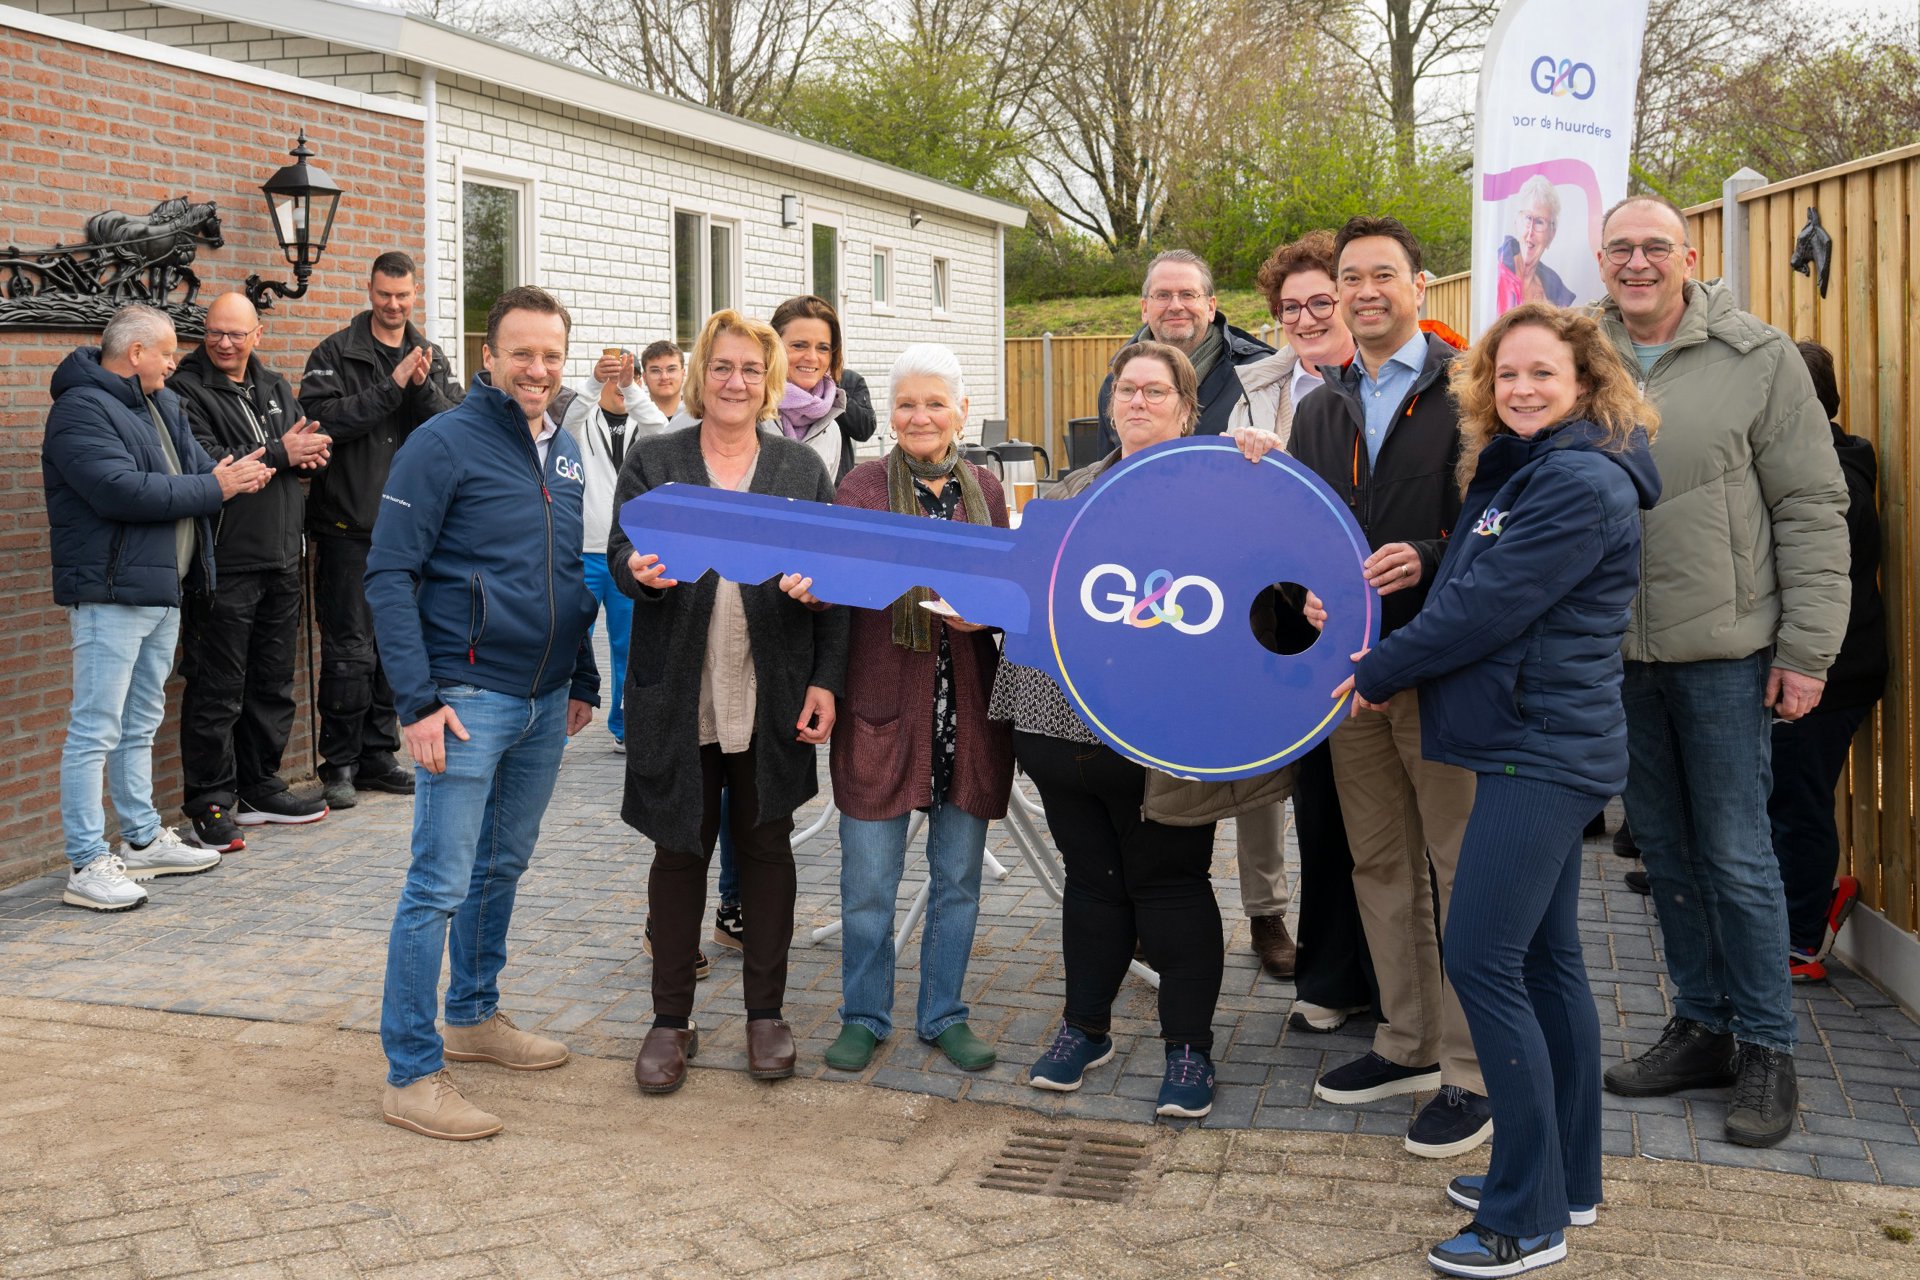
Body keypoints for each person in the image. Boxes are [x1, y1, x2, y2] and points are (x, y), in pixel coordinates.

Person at [1337, 304, 1660, 1276]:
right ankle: (1568, 1179)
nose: (1520, 388)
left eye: (1542, 373)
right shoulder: (1531, 466)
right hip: (1528, 737)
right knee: (1548, 964)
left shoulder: (1578, 479)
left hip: (1538, 749)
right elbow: (1479, 573)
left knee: (1482, 960)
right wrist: (1427, 569)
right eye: (1506, 373)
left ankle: (1526, 1214)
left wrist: (1381, 666)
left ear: (1586, 383)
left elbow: (1489, 606)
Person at [1594, 195, 1849, 1149]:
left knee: (1739, 856)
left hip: (1725, 653)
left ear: (1689, 256)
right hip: (1616, 654)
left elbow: (1813, 506)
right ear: (1601, 259)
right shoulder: (1578, 353)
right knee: (1664, 849)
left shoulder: (1759, 357)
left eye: (1654, 247)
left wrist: (1807, 652)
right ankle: (1702, 1025)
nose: (1638, 263)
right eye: (1620, 248)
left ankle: (1768, 1046)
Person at [992, 340, 1292, 1121]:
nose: (1138, 401)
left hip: (1164, 740)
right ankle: (1084, 1027)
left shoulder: (1224, 490)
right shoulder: (1068, 491)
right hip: (1060, 729)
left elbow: (1279, 584)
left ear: (1189, 410)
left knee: (1170, 886)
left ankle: (1188, 1047)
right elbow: (1026, 595)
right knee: (1091, 881)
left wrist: (1264, 468)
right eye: (1127, 389)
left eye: (1157, 391)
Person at [366, 285, 600, 1141]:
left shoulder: (564, 447)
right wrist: (417, 702)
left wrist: (582, 675)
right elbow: (388, 574)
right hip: (464, 701)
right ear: (489, 356)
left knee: (501, 868)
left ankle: (471, 1015)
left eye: (551, 355)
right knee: (437, 884)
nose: (537, 369)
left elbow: (565, 570)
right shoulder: (442, 443)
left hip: (544, 701)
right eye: (521, 353)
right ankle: (410, 1072)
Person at [1286, 215, 1488, 1158]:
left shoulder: (1471, 391)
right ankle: (1408, 1042)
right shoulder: (1320, 408)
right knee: (1380, 864)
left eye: (1382, 276)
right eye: (1351, 279)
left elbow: (1501, 530)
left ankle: (1474, 1072)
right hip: (1351, 680)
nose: (1365, 292)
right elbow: (1301, 532)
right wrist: (1304, 590)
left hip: (1443, 670)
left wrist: (1432, 557)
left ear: (1420, 285)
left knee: (1462, 870)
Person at [613, 309, 849, 1095]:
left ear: (768, 380)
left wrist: (825, 679)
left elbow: (833, 582)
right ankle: (669, 1019)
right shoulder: (656, 459)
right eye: (722, 366)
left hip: (768, 684)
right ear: (700, 374)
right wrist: (635, 572)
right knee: (678, 847)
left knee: (767, 844)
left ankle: (765, 1015)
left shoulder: (798, 470)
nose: (736, 382)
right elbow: (620, 550)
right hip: (680, 687)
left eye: (751, 369)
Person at [43, 304, 273, 911]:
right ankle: (86, 862)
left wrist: (235, 474)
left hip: (164, 590)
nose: (176, 363)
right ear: (136, 352)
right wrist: (214, 486)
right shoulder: (79, 410)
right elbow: (119, 490)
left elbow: (198, 473)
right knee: (95, 728)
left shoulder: (163, 403)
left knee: (139, 723)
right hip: (110, 594)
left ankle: (142, 840)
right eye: (168, 352)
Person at [822, 344, 1013, 1075]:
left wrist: (989, 612)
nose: (920, 416)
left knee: (957, 880)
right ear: (890, 414)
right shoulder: (860, 488)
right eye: (907, 404)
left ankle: (943, 1013)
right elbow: (839, 596)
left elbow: (1010, 591)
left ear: (962, 410)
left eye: (936, 403)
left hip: (967, 715)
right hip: (882, 707)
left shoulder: (987, 490)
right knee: (869, 885)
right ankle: (864, 1015)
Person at [1225, 231, 1377, 1033]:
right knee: (1318, 807)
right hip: (1287, 623)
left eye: (1323, 301)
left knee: (1380, 815)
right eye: (1291, 308)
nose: (1308, 317)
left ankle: (1394, 981)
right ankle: (1330, 976)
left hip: (1370, 618)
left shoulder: (1391, 386)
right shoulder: (1256, 390)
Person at [300, 251, 463, 812]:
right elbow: (321, 422)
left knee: (398, 645)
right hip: (348, 525)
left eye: (402, 295)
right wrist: (392, 386)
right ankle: (339, 764)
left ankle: (377, 756)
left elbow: (453, 424)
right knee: (349, 651)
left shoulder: (431, 356)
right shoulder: (334, 353)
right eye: (384, 294)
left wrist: (418, 388)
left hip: (412, 528)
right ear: (369, 291)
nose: (393, 305)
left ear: (415, 293)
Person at [169, 293, 331, 852]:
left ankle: (260, 786)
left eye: (236, 334)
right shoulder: (185, 390)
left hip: (283, 558)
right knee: (217, 690)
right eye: (215, 332)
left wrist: (310, 455)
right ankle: (211, 802)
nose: (224, 343)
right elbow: (210, 461)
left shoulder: (275, 386)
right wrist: (283, 452)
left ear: (257, 334)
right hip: (226, 563)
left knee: (271, 684)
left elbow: (290, 449)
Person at [1771, 341, 1886, 982]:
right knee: (1784, 797)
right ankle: (1803, 912)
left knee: (1795, 802)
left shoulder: (1831, 480)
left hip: (1826, 673)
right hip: (1822, 667)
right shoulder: (1830, 459)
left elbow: (1815, 581)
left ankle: (1800, 941)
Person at [566, 347, 668, 752]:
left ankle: (626, 726)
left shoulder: (644, 422)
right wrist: (594, 381)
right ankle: (556, 731)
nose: (620, 385)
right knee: (571, 642)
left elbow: (662, 429)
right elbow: (566, 419)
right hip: (584, 553)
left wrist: (632, 388)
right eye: (613, 377)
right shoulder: (583, 419)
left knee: (629, 646)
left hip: (630, 554)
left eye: (628, 376)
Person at [1096, 249, 1271, 454]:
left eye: (1188, 294)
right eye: (1162, 295)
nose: (1176, 306)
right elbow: (1110, 469)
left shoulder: (1257, 374)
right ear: (1144, 309)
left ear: (1211, 307)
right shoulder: (1117, 387)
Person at [768, 295, 877, 483]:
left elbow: (864, 429)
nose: (812, 357)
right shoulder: (751, 413)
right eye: (799, 345)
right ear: (772, 346)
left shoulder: (831, 429)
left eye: (823, 348)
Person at [1495, 176, 1575, 313]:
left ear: (1552, 234)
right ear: (1516, 222)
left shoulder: (1556, 296)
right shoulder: (1494, 271)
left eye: (1539, 222)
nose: (1530, 231)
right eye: (1527, 218)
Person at [640, 340, 690, 426]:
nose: (664, 377)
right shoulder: (633, 420)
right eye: (655, 371)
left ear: (683, 374)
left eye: (671, 369)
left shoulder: (699, 419)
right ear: (644, 377)